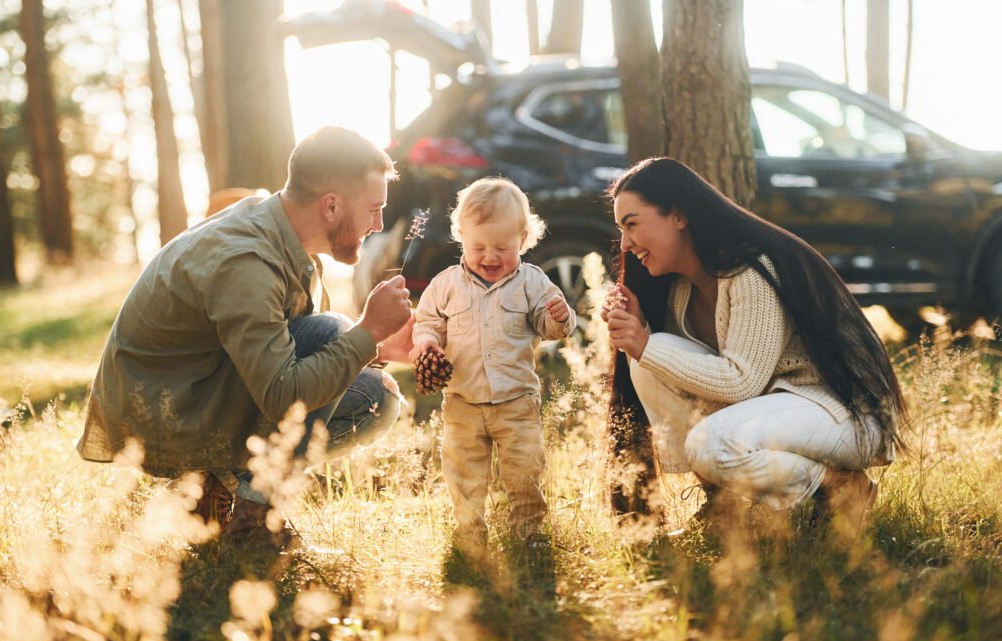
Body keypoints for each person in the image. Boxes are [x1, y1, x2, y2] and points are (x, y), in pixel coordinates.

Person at [78, 126, 415, 546]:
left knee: (372, 388)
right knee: (349, 356)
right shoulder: (246, 261)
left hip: (201, 387)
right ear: (331, 206)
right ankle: (251, 523)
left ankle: (214, 485)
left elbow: (289, 348)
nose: (378, 223)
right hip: (163, 418)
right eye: (373, 209)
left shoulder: (278, 227)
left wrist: (377, 345)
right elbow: (283, 394)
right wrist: (365, 333)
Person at [602, 157, 906, 534]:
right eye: (621, 230)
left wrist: (645, 344)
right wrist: (642, 331)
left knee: (709, 442)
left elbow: (742, 382)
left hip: (845, 411)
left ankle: (841, 488)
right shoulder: (679, 294)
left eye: (632, 224)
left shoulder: (749, 270)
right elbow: (692, 377)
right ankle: (723, 504)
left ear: (679, 216)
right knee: (647, 362)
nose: (625, 244)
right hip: (782, 407)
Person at [411, 177, 576, 553]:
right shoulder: (445, 284)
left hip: (516, 401)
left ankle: (528, 531)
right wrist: (427, 344)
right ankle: (470, 531)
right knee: (464, 472)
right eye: (478, 246)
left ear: (523, 239)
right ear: (461, 238)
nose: (489, 256)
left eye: (502, 247)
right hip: (462, 401)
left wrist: (560, 316)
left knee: (523, 471)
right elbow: (428, 322)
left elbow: (550, 328)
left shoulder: (532, 283)